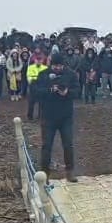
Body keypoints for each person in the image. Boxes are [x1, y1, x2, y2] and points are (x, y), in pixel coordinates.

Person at [35, 53, 80, 182]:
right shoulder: (43, 74)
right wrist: (50, 90)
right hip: (48, 116)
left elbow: (77, 91)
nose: (58, 68)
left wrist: (67, 92)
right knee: (46, 145)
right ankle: (45, 174)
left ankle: (70, 171)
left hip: (65, 117)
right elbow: (36, 92)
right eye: (55, 66)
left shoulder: (71, 74)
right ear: (51, 64)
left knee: (68, 144)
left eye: (60, 66)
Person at [26, 54, 47, 119]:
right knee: (31, 102)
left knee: (42, 102)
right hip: (33, 85)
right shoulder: (30, 67)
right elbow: (29, 76)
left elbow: (46, 78)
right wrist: (32, 81)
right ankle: (30, 116)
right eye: (37, 60)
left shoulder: (45, 68)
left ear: (42, 60)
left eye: (40, 60)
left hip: (42, 86)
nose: (38, 61)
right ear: (35, 60)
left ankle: (41, 116)